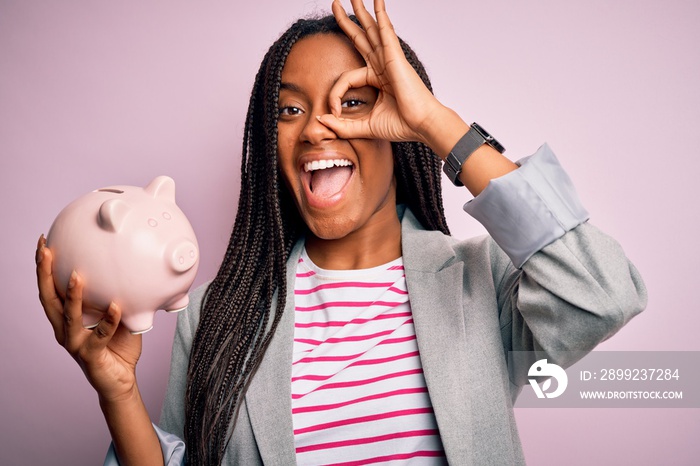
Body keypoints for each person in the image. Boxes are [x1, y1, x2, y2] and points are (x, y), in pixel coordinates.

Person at [36, 0, 647, 464]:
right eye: (289, 108)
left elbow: (601, 294)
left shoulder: (480, 283)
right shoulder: (219, 313)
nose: (315, 129)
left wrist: (440, 126)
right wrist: (117, 394)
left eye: (351, 102)